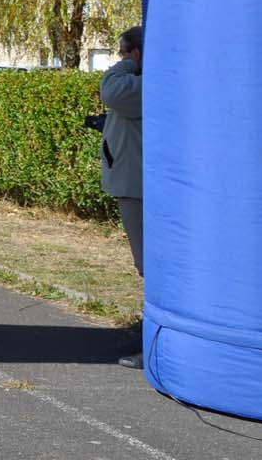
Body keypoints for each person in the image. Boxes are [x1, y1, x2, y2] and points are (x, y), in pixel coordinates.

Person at [101, 25, 144, 369]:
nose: (119, 58)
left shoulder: (144, 83)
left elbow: (111, 90)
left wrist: (130, 62)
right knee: (148, 266)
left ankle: (155, 340)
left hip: (138, 189)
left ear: (135, 53)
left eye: (122, 51)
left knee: (150, 266)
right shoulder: (141, 85)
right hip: (133, 186)